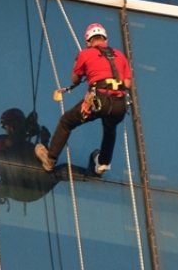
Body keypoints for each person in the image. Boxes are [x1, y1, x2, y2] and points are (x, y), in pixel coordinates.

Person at [34, 23, 133, 175]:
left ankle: (50, 159)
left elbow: (75, 79)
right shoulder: (120, 55)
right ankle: (103, 164)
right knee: (110, 128)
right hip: (119, 104)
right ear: (105, 39)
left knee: (67, 121)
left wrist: (87, 71)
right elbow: (127, 83)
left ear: (88, 41)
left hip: (99, 99)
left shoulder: (85, 54)